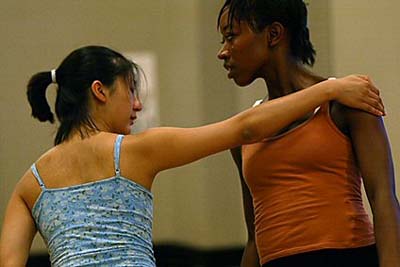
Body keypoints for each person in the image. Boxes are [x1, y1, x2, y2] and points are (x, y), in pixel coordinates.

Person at [0, 45, 384, 267]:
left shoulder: (29, 184)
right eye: (129, 90)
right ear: (100, 91)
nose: (136, 105)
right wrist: (330, 89)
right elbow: (245, 128)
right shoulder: (133, 152)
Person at [216, 1, 400, 267]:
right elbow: (255, 238)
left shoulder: (347, 102)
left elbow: (383, 199)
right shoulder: (245, 131)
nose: (223, 52)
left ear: (273, 34)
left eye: (231, 36)